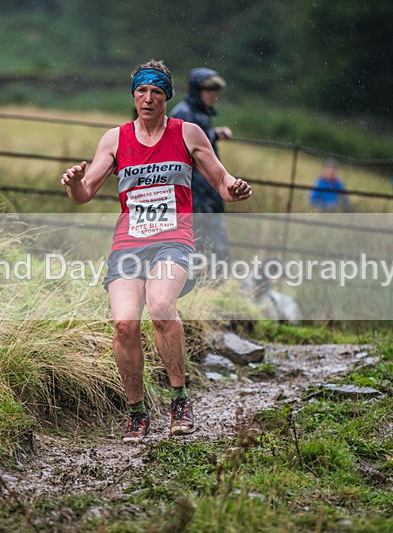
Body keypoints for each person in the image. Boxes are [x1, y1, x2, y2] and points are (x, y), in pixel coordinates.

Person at [61, 60, 252, 442]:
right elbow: (85, 194)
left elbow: (221, 180)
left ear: (167, 97)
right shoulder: (115, 139)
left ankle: (179, 401)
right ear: (134, 95)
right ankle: (136, 413)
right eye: (142, 91)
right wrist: (74, 183)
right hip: (129, 243)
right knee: (125, 324)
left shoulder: (188, 132)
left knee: (162, 306)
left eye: (157, 92)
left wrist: (235, 188)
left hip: (173, 238)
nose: (148, 99)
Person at [170, 68, 234, 262]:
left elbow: (197, 143)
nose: (213, 95)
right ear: (196, 90)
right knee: (202, 245)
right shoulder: (184, 113)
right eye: (208, 90)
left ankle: (210, 278)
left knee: (212, 246)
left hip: (206, 192)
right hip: (194, 193)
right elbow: (181, 152)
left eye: (215, 90)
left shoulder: (199, 115)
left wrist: (213, 134)